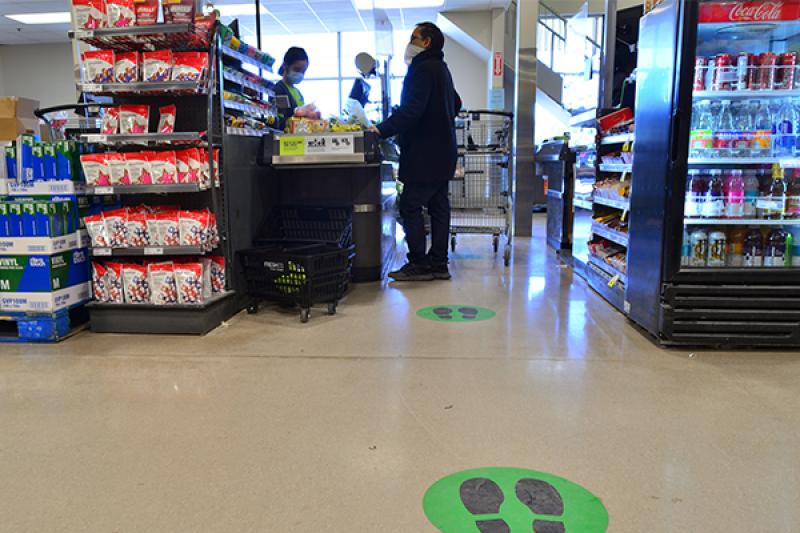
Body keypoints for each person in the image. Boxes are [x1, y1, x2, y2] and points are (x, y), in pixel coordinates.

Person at [371, 22, 462, 282]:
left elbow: (411, 111)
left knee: (410, 205)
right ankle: (439, 264)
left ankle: (419, 264)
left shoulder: (422, 69)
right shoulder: (442, 68)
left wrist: (381, 130)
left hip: (425, 153)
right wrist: (438, 118)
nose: (408, 43)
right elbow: (456, 103)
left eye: (414, 38)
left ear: (427, 42)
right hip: (443, 152)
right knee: (438, 207)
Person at [273, 47, 309, 130]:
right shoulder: (279, 89)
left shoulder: (298, 93)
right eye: (297, 69)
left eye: (303, 71)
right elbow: (281, 120)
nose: (300, 74)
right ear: (285, 66)